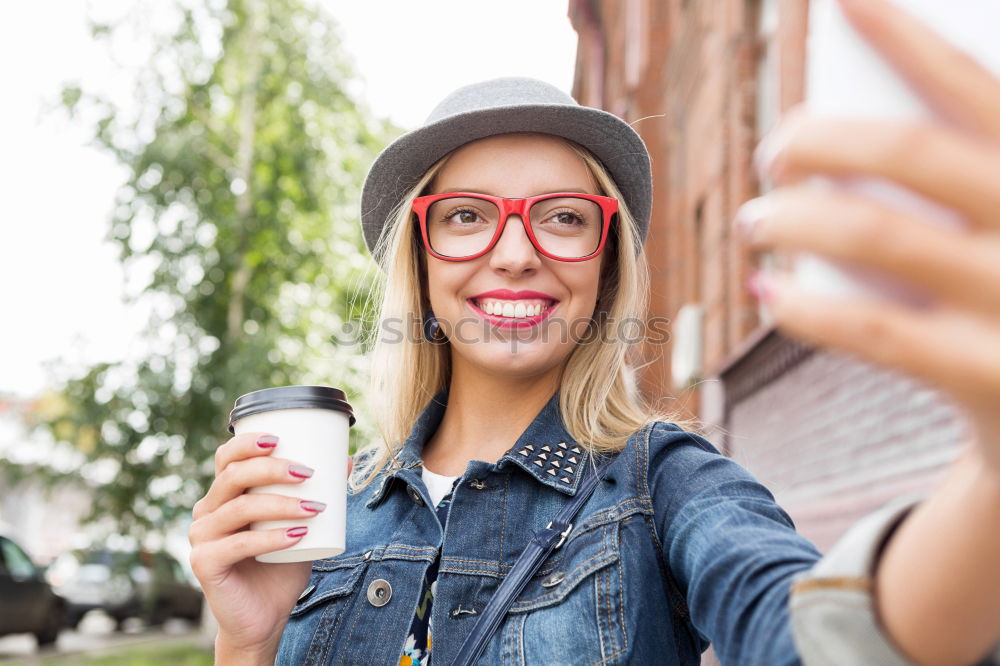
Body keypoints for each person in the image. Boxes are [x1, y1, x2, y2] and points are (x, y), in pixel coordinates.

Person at [188, 0, 1000, 663]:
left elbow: (820, 639)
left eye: (565, 218)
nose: (515, 255)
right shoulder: (327, 510)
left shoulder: (666, 484)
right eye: (467, 216)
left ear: (606, 267)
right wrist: (246, 642)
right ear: (421, 261)